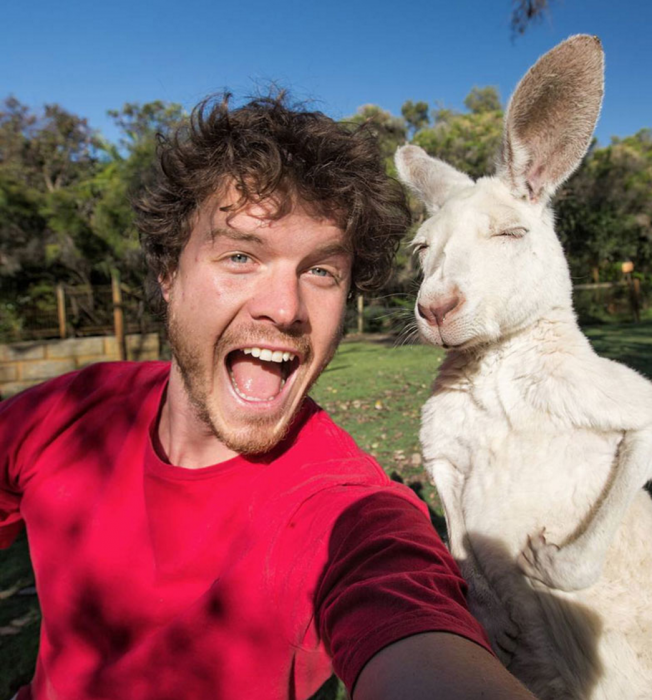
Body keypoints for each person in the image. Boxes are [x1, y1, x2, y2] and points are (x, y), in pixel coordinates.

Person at [0, 95, 535, 700]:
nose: (284, 308)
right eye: (240, 256)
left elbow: (410, 622)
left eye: (322, 271)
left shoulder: (349, 517)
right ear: (167, 272)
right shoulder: (68, 412)